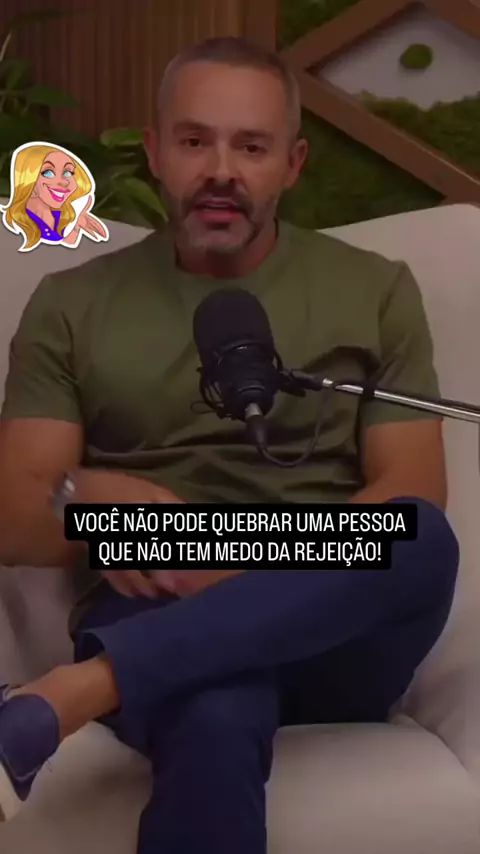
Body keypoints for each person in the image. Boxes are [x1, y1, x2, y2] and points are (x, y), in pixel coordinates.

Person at [0, 36, 459, 854]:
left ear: (292, 162)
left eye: (251, 147)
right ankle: (105, 683)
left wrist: (225, 563)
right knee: (214, 707)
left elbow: (409, 497)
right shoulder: (71, 305)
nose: (221, 171)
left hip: (333, 631)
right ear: (155, 152)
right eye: (194, 141)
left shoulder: (375, 290)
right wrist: (80, 494)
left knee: (418, 536)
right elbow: (13, 514)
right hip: (151, 602)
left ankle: (74, 694)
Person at [1, 141, 109, 251]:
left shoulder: (63, 216)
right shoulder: (16, 222)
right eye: (48, 173)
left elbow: (67, 247)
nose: (64, 182)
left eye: (68, 173)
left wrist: (77, 223)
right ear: (27, 178)